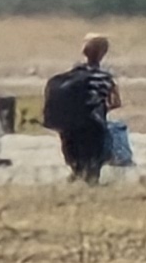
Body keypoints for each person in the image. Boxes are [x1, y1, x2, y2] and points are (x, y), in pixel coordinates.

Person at [44, 32, 121, 181]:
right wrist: (100, 107)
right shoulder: (105, 77)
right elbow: (116, 102)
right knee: (92, 169)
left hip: (69, 128)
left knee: (76, 167)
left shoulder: (72, 74)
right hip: (93, 127)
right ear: (103, 53)